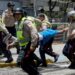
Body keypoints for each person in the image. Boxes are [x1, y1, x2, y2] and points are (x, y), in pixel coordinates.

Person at [13, 8, 41, 75]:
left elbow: (34, 33)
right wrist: (13, 44)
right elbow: (19, 36)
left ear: (22, 14)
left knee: (23, 64)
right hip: (23, 45)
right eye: (15, 14)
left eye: (18, 14)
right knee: (30, 62)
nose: (17, 15)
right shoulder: (18, 23)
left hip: (29, 44)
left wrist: (33, 45)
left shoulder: (26, 22)